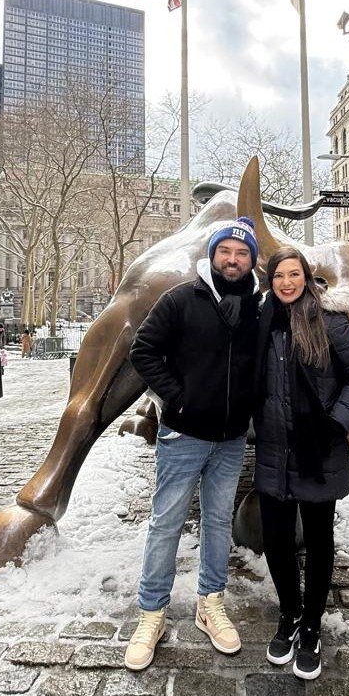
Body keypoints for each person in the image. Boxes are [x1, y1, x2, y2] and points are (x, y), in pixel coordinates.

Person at [125, 216, 262, 672]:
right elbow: (143, 350)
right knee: (166, 524)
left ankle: (211, 603)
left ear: (251, 261)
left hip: (230, 439)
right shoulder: (182, 299)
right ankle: (152, 613)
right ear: (213, 254)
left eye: (242, 253)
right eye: (226, 251)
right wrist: (177, 396)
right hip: (183, 435)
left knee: (218, 523)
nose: (233, 259)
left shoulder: (257, 308)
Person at [253, 246, 349, 680]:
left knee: (319, 543)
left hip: (318, 449)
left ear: (306, 277)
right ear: (270, 281)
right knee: (277, 540)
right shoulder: (262, 321)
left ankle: (311, 627)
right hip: (273, 448)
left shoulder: (330, 321)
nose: (286, 283)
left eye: (294, 274)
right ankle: (289, 613)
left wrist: (337, 423)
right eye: (278, 276)